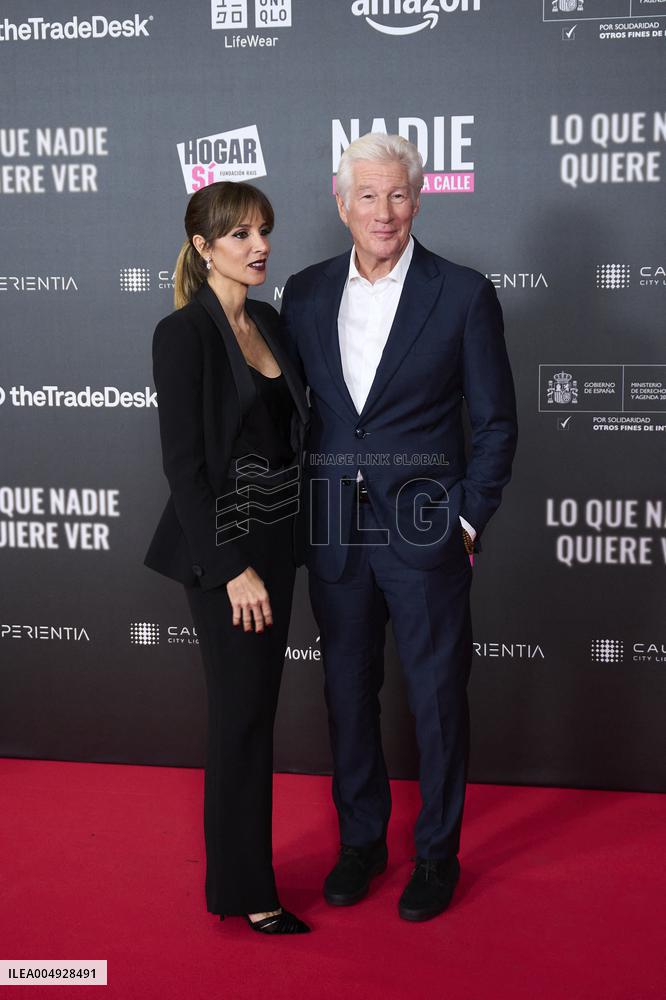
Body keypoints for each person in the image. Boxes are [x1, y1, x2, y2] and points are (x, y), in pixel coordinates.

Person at [281, 133, 517, 922]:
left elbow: (495, 425)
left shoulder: (463, 294)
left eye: (398, 195)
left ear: (419, 199)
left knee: (438, 698)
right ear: (341, 204)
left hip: (426, 534)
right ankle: (361, 844)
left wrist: (468, 522)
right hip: (335, 532)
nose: (384, 212)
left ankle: (437, 856)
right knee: (348, 694)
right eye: (368, 196)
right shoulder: (306, 292)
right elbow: (305, 417)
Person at [144, 181, 310, 935]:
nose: (258, 246)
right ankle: (247, 889)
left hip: (278, 544)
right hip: (225, 559)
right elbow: (184, 468)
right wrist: (230, 567)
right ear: (204, 248)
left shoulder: (272, 323)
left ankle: (245, 877)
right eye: (239, 235)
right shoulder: (183, 335)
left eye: (264, 231)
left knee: (255, 715)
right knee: (239, 718)